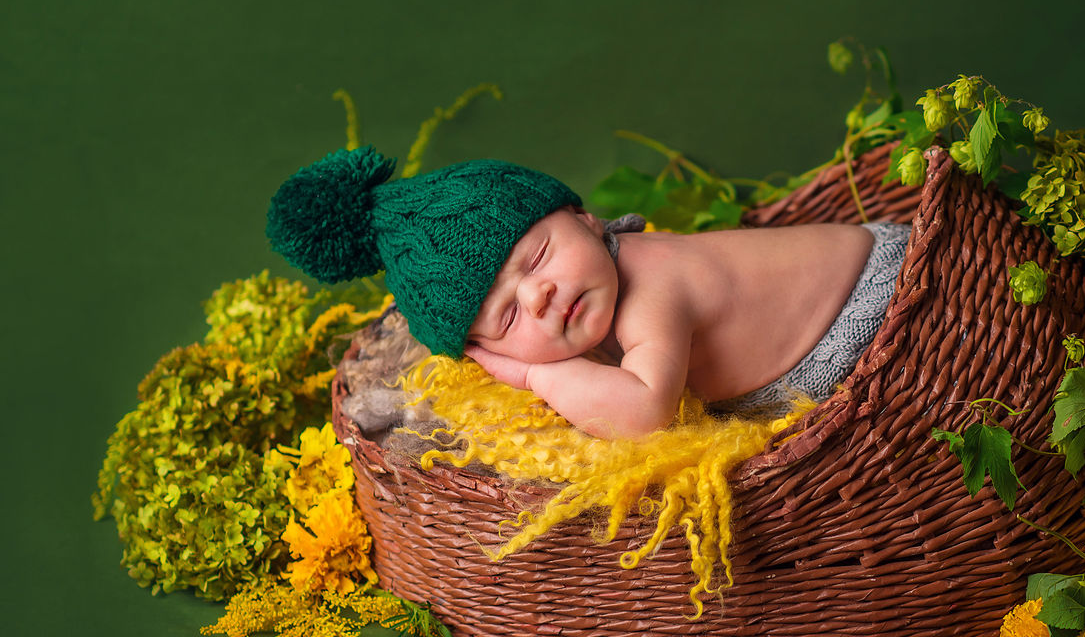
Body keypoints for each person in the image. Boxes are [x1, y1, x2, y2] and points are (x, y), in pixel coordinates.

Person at [266, 146, 908, 439]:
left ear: (586, 218)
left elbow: (644, 412)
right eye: (510, 315)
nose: (540, 296)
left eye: (537, 256)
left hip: (884, 303)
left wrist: (529, 374)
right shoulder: (599, 296)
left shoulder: (653, 283)